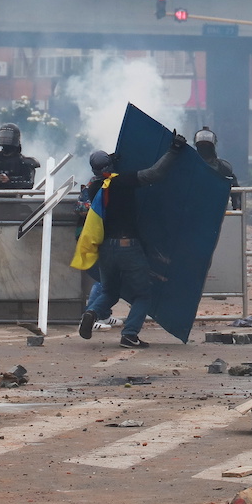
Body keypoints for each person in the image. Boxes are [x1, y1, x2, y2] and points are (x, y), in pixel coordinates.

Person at [76, 132, 188, 348]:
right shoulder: (123, 181)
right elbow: (154, 174)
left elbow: (105, 180)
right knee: (143, 294)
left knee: (110, 291)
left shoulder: (93, 188)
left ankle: (92, 312)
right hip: (128, 246)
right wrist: (173, 150)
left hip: (105, 249)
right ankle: (129, 335)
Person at [75, 152, 125, 332]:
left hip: (104, 235)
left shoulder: (110, 182)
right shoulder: (94, 185)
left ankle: (103, 313)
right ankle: (89, 316)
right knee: (104, 279)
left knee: (110, 277)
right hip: (91, 235)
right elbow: (81, 207)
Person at [193, 126, 239, 209]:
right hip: (193, 205)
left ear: (212, 146)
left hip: (217, 206)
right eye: (201, 144)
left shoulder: (223, 166)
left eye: (207, 144)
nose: (204, 147)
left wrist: (237, 209)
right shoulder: (190, 164)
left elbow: (236, 191)